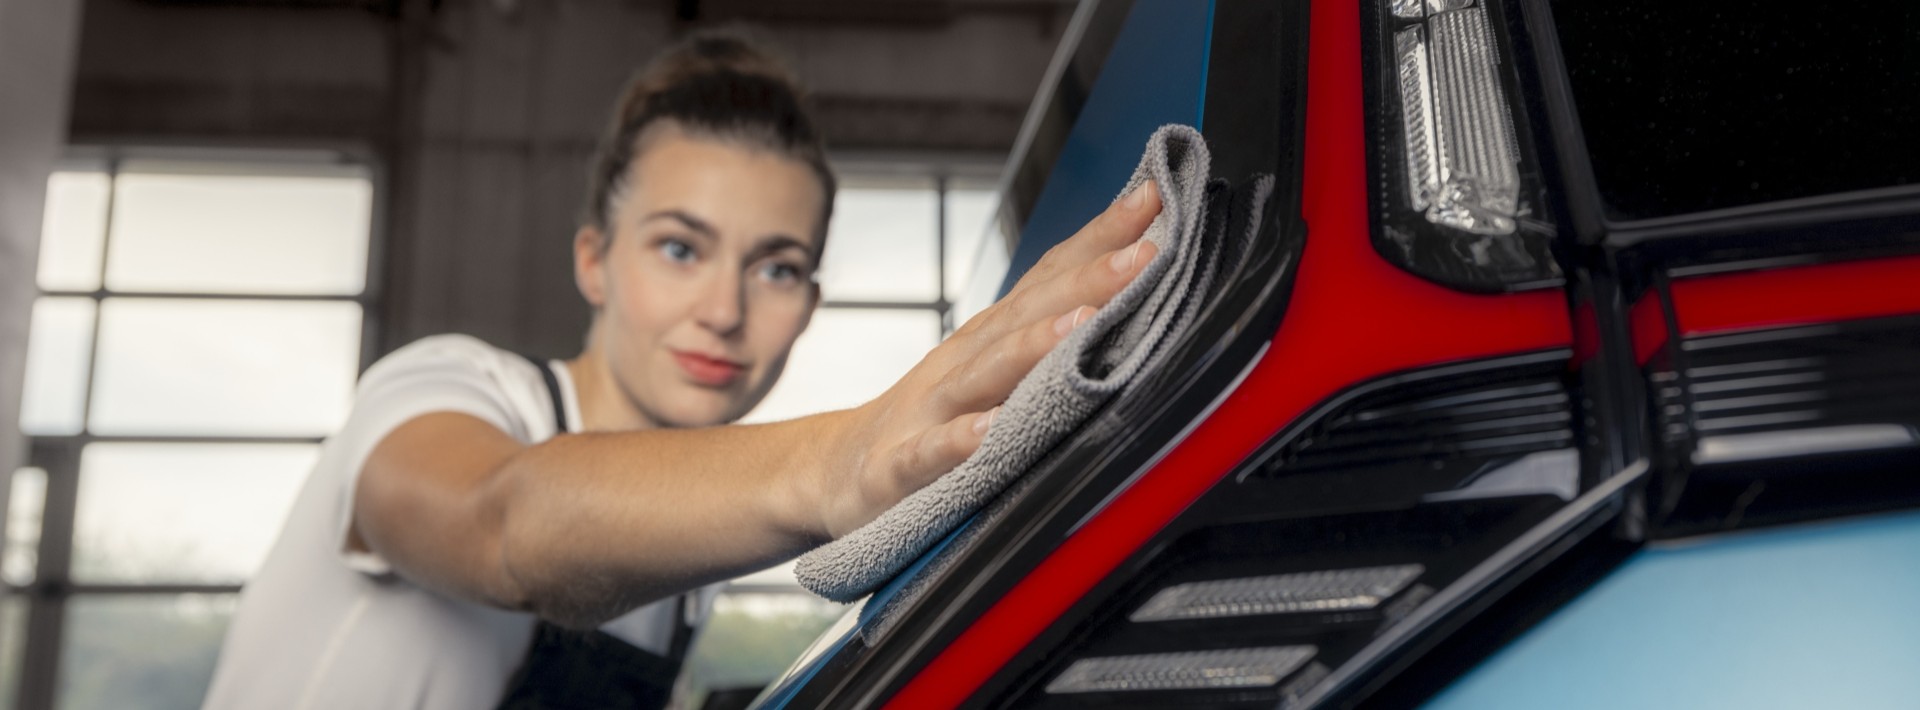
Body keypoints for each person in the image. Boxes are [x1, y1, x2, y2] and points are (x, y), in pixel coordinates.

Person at [202, 32, 1161, 710]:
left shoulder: (684, 587)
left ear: (808, 305)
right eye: (678, 248)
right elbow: (504, 520)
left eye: (776, 266)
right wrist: (837, 462)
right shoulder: (445, 389)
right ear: (593, 259)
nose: (724, 309)